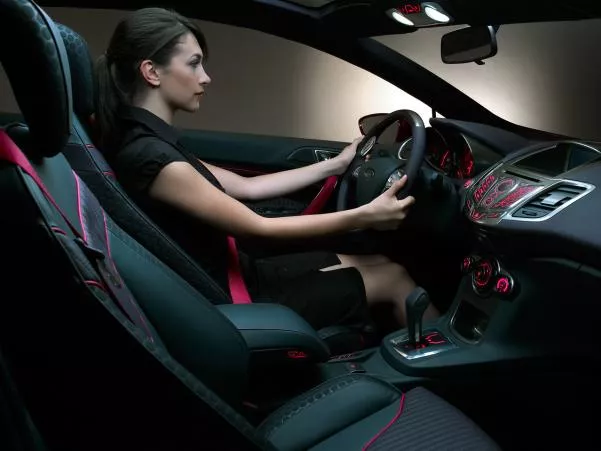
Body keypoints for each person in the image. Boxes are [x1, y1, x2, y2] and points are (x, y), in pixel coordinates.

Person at [93, 7, 439, 331]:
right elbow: (259, 227)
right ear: (152, 72)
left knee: (380, 260)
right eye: (194, 64)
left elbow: (247, 189)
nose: (206, 77)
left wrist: (335, 164)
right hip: (240, 298)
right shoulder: (152, 158)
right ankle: (457, 382)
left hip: (242, 273)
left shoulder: (150, 142)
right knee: (394, 279)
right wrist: (366, 215)